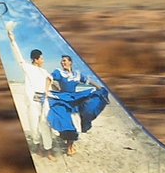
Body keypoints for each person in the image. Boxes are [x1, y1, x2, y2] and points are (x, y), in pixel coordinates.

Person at [6, 23, 54, 160]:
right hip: (33, 101)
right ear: (35, 59)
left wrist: (48, 91)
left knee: (45, 125)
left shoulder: (44, 71)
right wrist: (13, 40)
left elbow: (50, 79)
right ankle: (38, 148)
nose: (43, 60)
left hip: (43, 101)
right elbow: (18, 57)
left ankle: (49, 151)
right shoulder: (27, 68)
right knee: (34, 125)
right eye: (41, 58)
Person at [49, 55, 109, 155]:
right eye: (62, 61)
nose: (62, 63)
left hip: (74, 100)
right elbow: (49, 78)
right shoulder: (59, 72)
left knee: (74, 123)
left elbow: (88, 81)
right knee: (66, 121)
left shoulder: (77, 74)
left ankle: (69, 147)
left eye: (64, 61)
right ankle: (69, 147)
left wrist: (100, 88)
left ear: (70, 62)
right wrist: (55, 88)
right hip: (64, 100)